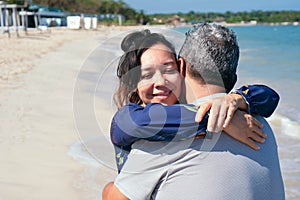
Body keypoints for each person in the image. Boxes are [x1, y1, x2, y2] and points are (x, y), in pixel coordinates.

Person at [103, 24, 284, 199]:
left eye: (168, 69)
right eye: (147, 75)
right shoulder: (261, 126)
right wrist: (224, 114)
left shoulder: (158, 142)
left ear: (180, 67)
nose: (160, 82)